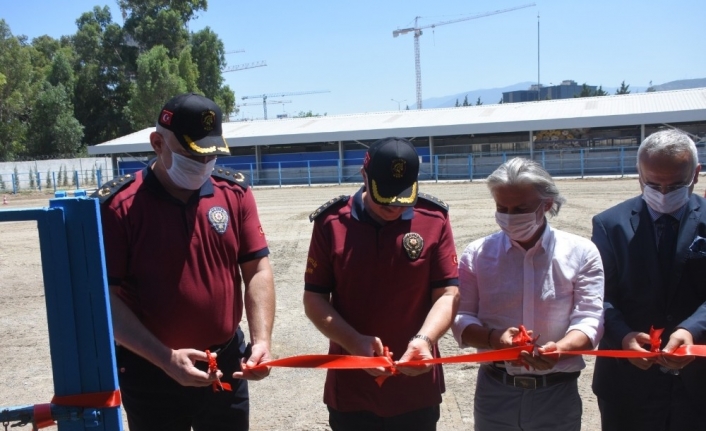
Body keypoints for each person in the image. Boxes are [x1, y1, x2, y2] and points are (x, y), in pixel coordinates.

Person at [93, 93, 275, 431]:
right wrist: (165, 359)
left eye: (210, 155)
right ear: (157, 143)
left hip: (224, 364)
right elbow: (106, 299)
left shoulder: (233, 194)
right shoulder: (120, 206)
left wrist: (261, 341)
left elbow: (257, 270)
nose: (202, 165)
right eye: (191, 154)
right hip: (150, 371)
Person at [303, 137, 459, 431]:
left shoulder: (434, 218)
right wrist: (353, 342)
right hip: (351, 388)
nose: (393, 208)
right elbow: (314, 300)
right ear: (364, 174)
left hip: (416, 388)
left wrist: (425, 340)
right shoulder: (331, 223)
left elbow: (448, 294)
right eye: (384, 196)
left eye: (402, 198)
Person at [452, 157, 604, 431]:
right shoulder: (477, 254)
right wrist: (495, 339)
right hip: (495, 392)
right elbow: (462, 317)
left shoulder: (582, 253)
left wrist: (562, 348)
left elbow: (590, 319)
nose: (509, 216)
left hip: (556, 397)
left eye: (520, 208)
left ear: (546, 205)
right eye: (502, 207)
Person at [591, 129, 706, 431]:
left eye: (676, 185)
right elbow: (598, 296)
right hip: (627, 389)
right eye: (653, 184)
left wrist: (693, 330)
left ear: (696, 173)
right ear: (639, 175)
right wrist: (623, 337)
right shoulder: (609, 225)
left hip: (699, 387)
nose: (664, 193)